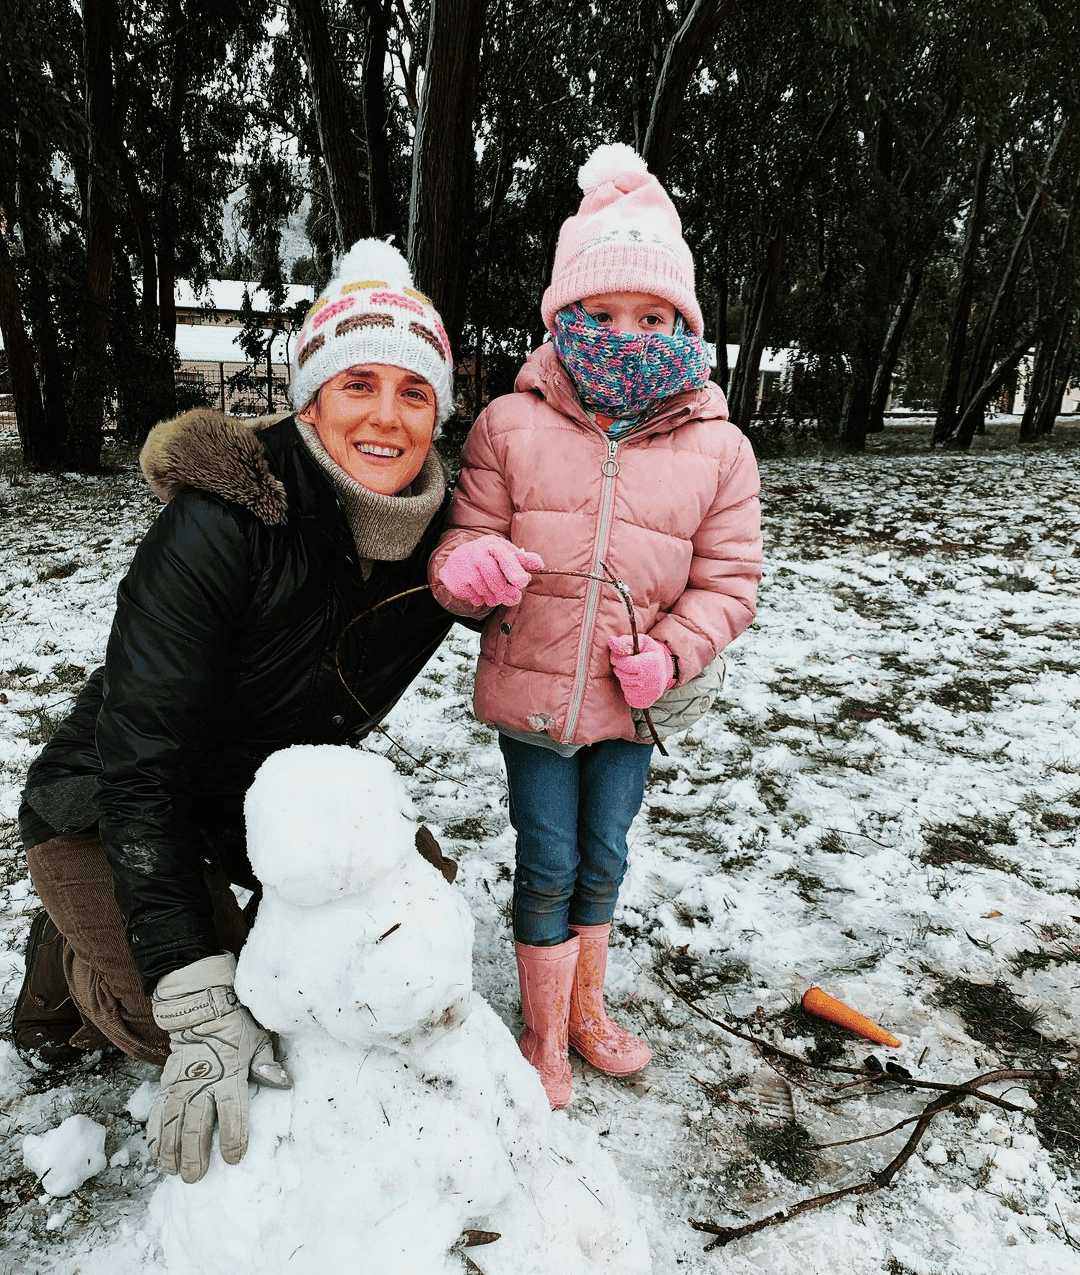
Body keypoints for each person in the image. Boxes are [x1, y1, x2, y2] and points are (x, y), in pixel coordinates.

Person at [11, 239, 460, 1182]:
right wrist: (184, 977)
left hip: (255, 806)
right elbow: (140, 763)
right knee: (197, 1018)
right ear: (310, 399)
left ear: (438, 414)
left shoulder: (443, 550)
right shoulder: (220, 522)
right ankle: (75, 960)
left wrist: (674, 653)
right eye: (358, 384)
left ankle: (133, 928)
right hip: (110, 805)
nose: (386, 416)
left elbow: (587, 555)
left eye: (413, 392)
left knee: (389, 935)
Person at [429, 143, 763, 1108]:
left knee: (605, 855)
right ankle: (543, 1036)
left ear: (684, 323)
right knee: (549, 857)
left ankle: (584, 1005)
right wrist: (467, 569)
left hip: (634, 704)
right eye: (602, 313)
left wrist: (674, 651)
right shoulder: (508, 424)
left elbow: (729, 581)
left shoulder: (720, 448)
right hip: (535, 697)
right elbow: (462, 547)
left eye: (652, 316)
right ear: (564, 316)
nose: (627, 333)